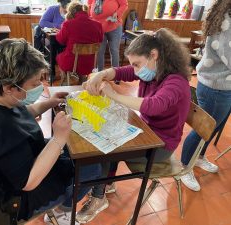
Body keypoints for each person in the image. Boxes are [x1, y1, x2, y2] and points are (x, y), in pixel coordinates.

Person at [0, 38, 101, 225]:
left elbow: (18, 112)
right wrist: (58, 139)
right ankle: (63, 212)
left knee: (80, 151)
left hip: (18, 157)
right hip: (19, 197)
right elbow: (29, 182)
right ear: (10, 88)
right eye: (35, 83)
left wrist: (48, 103)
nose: (40, 87)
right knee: (93, 167)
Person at [77, 28, 191, 223]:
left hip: (162, 145)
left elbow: (154, 106)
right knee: (107, 136)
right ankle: (106, 183)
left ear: (154, 55)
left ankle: (99, 196)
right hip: (147, 130)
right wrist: (101, 74)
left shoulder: (175, 82)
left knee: (107, 148)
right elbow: (123, 71)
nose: (136, 70)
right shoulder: (154, 70)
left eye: (137, 64)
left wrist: (114, 96)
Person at [180, 0, 231, 192]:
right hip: (216, 87)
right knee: (203, 130)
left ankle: (198, 157)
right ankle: (185, 167)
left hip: (222, 85)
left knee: (211, 128)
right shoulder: (227, 21)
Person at [56, 1, 103, 84]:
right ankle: (82, 80)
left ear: (71, 12)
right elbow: (100, 40)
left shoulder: (68, 24)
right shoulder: (98, 25)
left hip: (71, 63)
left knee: (59, 57)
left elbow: (61, 40)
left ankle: (67, 80)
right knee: (82, 61)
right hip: (90, 64)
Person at [87, 0, 128, 71]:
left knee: (114, 50)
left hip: (114, 26)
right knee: (99, 51)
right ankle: (100, 73)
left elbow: (124, 4)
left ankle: (116, 75)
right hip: (99, 28)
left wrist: (117, 14)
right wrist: (90, 19)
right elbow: (89, 6)